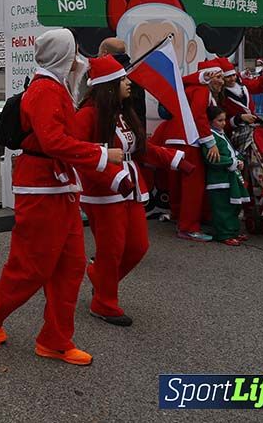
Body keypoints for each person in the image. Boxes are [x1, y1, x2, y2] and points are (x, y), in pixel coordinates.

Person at [0, 29, 123, 367]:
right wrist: (102, 155)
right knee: (32, 266)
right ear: (61, 57)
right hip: (41, 188)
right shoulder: (45, 91)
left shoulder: (56, 88)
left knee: (70, 267)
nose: (77, 60)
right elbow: (54, 141)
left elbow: (60, 140)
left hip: (59, 187)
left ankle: (55, 340)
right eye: (72, 54)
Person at [72, 56, 190, 326]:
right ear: (108, 85)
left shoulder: (122, 113)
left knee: (138, 247)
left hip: (131, 188)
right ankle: (104, 302)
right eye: (123, 79)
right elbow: (80, 155)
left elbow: (139, 149)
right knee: (112, 250)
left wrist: (175, 159)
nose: (128, 83)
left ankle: (100, 277)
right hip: (104, 192)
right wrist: (113, 178)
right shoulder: (87, 115)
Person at [169, 59, 224, 241]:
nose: (222, 81)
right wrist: (211, 142)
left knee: (179, 182)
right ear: (207, 77)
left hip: (176, 137)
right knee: (193, 185)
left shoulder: (192, 88)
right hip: (189, 140)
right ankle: (188, 227)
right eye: (218, 76)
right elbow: (198, 116)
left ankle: (178, 217)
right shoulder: (202, 90)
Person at [204, 105, 249, 246]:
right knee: (222, 207)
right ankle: (224, 234)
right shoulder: (209, 138)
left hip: (230, 176)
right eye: (219, 120)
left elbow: (232, 151)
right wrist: (232, 162)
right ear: (210, 121)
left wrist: (239, 159)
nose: (223, 123)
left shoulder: (221, 134)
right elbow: (211, 158)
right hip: (219, 179)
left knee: (233, 206)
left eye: (224, 120)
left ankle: (233, 231)